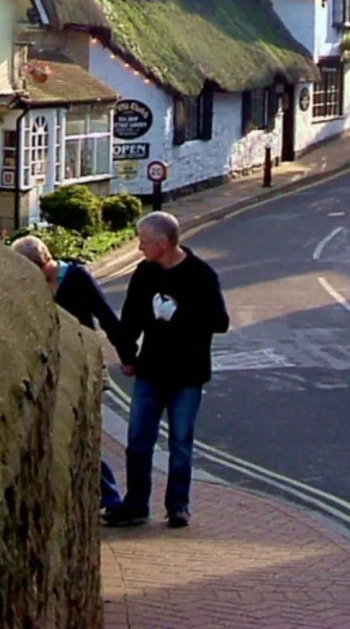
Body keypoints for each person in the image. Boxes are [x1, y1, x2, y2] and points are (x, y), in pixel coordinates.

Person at [105, 211, 229, 529]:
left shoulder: (200, 275)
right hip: (151, 371)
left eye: (144, 242)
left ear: (162, 243)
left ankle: (178, 506)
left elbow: (220, 322)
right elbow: (131, 317)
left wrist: (178, 314)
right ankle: (136, 504)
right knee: (138, 442)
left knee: (180, 444)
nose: (139, 247)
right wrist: (128, 356)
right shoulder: (145, 273)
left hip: (187, 374)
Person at [11, 235, 132, 512]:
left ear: (42, 263)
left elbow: (106, 316)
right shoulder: (31, 284)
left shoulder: (77, 278)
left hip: (84, 363)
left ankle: (109, 496)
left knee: (84, 430)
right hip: (51, 365)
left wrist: (127, 357)